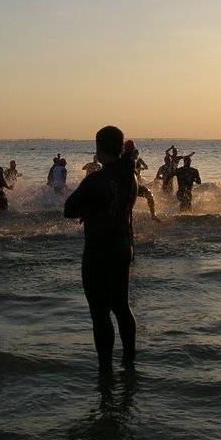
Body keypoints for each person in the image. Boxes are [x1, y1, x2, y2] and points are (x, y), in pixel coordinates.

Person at [63, 126, 138, 370]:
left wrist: (89, 208)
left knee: (100, 312)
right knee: (122, 307)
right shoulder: (131, 175)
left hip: (99, 250)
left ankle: (105, 372)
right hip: (124, 246)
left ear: (98, 148)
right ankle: (129, 362)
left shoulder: (95, 179)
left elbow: (69, 209)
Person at [127, 143, 160, 221]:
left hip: (136, 184)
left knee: (149, 195)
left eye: (136, 154)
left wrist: (140, 169)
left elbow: (146, 167)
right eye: (134, 154)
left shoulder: (138, 160)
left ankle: (153, 215)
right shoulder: (125, 160)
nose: (136, 156)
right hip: (129, 185)